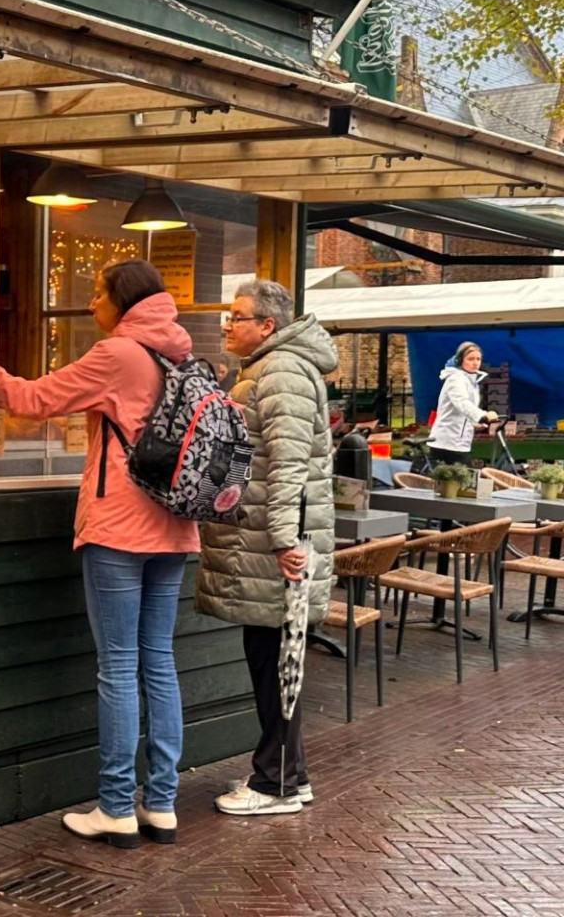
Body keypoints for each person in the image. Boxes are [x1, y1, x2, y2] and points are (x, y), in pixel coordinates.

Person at [0, 259, 198, 849]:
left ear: (122, 300)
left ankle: (114, 806)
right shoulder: (178, 352)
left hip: (120, 528)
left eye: (98, 294)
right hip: (176, 526)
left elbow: (33, 401)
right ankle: (160, 804)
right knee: (157, 663)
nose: (91, 306)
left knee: (117, 669)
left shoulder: (119, 355)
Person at [197, 279, 335, 816]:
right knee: (276, 658)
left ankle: (274, 783)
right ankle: (288, 774)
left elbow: (288, 464)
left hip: (273, 546)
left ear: (267, 326)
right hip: (265, 544)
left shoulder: (280, 372)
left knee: (277, 660)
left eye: (237, 316)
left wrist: (281, 540)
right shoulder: (271, 369)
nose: (227, 325)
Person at [429, 341, 496, 465]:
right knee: (462, 478)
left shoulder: (471, 381)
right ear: (461, 360)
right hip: (447, 441)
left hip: (460, 442)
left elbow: (464, 413)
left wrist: (475, 423)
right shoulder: (455, 379)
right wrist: (482, 415)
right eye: (470, 359)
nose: (475, 362)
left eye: (478, 359)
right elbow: (461, 403)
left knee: (459, 479)